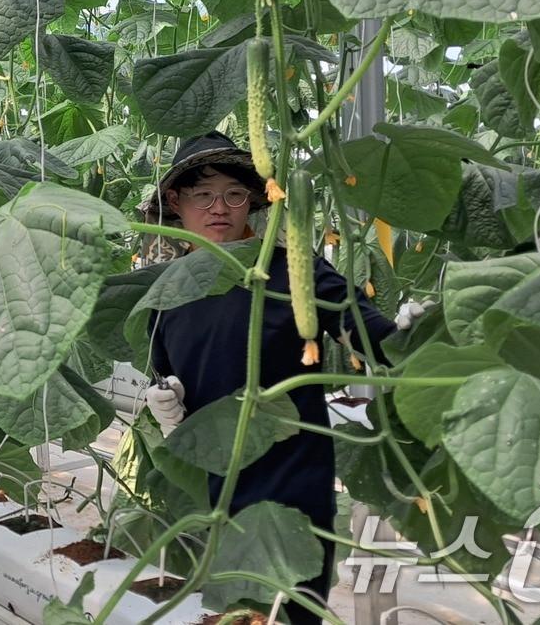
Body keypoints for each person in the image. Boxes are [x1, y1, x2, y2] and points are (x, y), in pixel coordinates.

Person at [139, 132, 425, 624]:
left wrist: (412, 336)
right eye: (202, 195)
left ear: (251, 198)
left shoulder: (290, 264)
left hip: (289, 480)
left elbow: (362, 328)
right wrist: (168, 413)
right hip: (211, 482)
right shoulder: (167, 291)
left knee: (286, 609)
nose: (219, 208)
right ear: (175, 201)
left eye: (233, 193)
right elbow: (164, 377)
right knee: (223, 609)